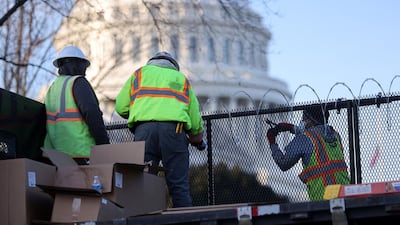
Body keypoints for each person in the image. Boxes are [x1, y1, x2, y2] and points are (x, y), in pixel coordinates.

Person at [115, 51, 206, 208]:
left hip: (143, 131)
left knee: (141, 184)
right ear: (173, 65)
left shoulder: (138, 75)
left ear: (152, 61)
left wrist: (140, 113)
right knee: (179, 187)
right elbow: (194, 117)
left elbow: (120, 107)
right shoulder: (181, 79)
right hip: (174, 132)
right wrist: (197, 140)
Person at [266, 105, 350, 201]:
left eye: (303, 118)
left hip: (323, 198)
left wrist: (272, 142)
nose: (301, 121)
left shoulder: (304, 138)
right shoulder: (335, 135)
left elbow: (284, 163)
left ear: (309, 120)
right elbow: (315, 136)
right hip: (345, 194)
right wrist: (291, 128)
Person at [43, 46, 110, 165]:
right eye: (84, 65)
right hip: (79, 154)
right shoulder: (78, 82)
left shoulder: (52, 88)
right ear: (77, 64)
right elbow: (92, 113)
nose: (85, 70)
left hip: (54, 156)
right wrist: (104, 145)